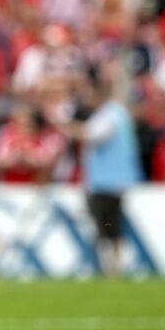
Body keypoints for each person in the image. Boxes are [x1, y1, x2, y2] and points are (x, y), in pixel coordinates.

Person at [58, 60, 143, 276]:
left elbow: (92, 134)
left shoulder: (111, 114)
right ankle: (112, 264)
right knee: (109, 223)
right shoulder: (114, 113)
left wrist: (65, 126)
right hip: (107, 180)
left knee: (108, 223)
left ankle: (115, 265)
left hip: (109, 181)